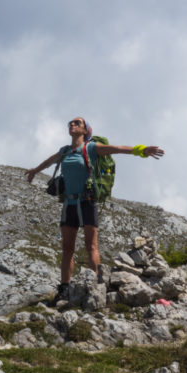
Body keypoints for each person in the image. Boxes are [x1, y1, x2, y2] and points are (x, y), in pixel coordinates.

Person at [26, 117, 164, 299]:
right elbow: (49, 161)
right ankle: (64, 288)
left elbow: (119, 149)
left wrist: (142, 150)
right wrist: (35, 171)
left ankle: (95, 285)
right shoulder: (64, 151)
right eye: (70, 123)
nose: (72, 125)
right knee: (67, 248)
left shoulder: (91, 148)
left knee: (91, 245)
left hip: (87, 201)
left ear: (85, 130)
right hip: (69, 203)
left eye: (77, 123)